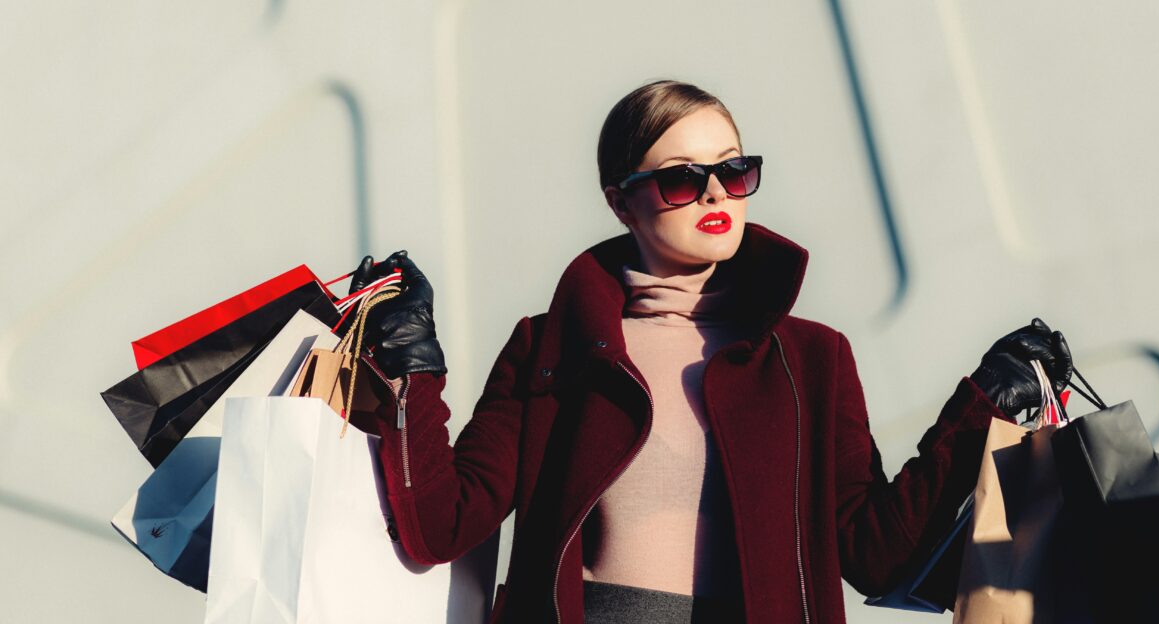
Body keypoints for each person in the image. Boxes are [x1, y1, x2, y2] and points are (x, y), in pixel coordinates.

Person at [344, 80, 1073, 624]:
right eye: (680, 179)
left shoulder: (812, 360)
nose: (715, 193)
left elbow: (874, 555)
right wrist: (412, 368)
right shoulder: (552, 346)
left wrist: (980, 408)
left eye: (734, 170)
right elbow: (442, 522)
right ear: (619, 200)